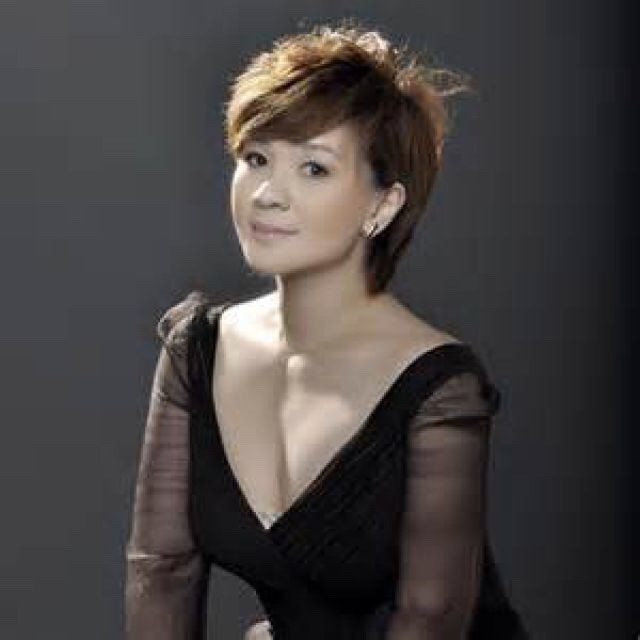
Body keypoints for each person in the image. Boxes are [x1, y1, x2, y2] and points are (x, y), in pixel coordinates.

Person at [124, 19, 529, 639]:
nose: (267, 194)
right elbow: (162, 571)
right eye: (256, 159)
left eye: (313, 168)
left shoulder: (438, 386)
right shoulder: (197, 348)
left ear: (382, 205)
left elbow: (431, 617)